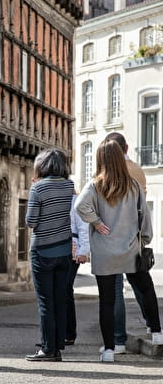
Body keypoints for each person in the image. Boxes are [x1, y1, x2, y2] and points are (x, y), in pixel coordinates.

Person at [75, 139, 163, 362]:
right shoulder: (133, 186)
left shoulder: (95, 185)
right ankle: (156, 333)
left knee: (107, 301)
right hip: (130, 250)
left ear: (100, 159)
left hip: (105, 253)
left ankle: (109, 350)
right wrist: (144, 239)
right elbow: (145, 216)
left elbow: (79, 206)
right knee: (145, 289)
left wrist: (95, 221)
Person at [25, 148, 74, 362]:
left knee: (45, 301)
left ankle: (47, 348)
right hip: (64, 250)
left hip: (42, 250)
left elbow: (30, 222)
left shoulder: (38, 189)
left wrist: (33, 193)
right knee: (60, 299)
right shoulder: (69, 186)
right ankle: (58, 346)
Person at [102, 132, 149, 355]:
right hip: (134, 240)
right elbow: (142, 211)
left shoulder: (106, 174)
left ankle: (118, 340)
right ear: (127, 147)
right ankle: (152, 324)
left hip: (111, 240)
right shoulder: (138, 171)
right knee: (141, 285)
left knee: (115, 291)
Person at [65, 193, 89, 346]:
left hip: (72, 246)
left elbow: (83, 226)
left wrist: (83, 251)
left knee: (66, 289)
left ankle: (69, 333)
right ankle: (54, 333)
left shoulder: (75, 200)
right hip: (57, 245)